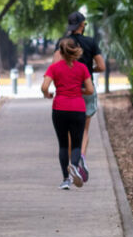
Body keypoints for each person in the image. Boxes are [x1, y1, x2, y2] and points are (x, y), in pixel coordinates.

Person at [42, 36, 95, 189]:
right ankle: (75, 166)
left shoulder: (54, 68)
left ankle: (66, 179)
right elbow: (90, 90)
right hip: (78, 108)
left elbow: (44, 87)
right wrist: (78, 90)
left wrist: (48, 94)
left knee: (63, 145)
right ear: (76, 51)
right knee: (77, 144)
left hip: (59, 108)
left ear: (61, 51)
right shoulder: (82, 68)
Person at [65, 11, 105, 170]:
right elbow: (102, 66)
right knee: (84, 129)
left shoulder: (64, 43)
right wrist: (89, 70)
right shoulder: (91, 42)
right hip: (86, 89)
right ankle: (80, 157)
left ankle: (71, 162)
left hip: (69, 91)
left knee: (69, 130)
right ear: (83, 25)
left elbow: (55, 64)